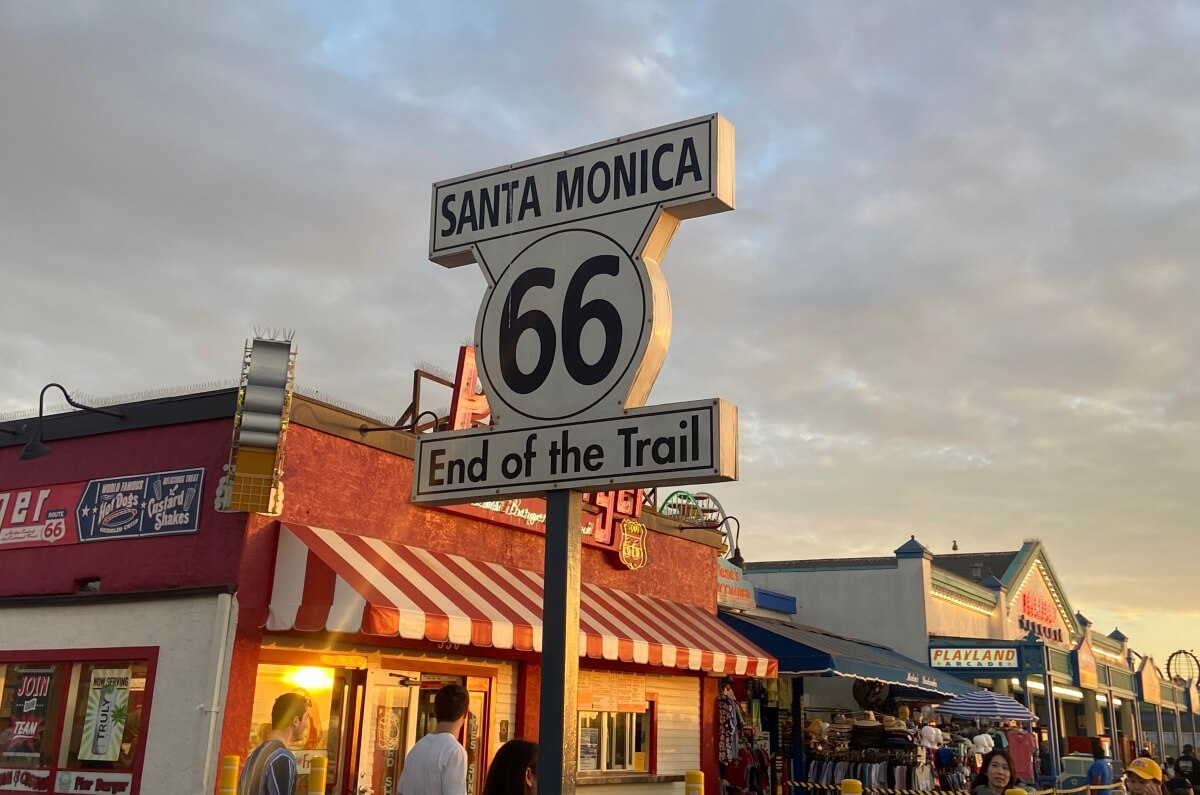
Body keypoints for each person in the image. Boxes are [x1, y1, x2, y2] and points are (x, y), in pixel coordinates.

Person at [397, 684, 470, 795]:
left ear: (435, 711)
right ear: (465, 715)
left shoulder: (417, 748)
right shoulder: (455, 751)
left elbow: (401, 791)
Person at [239, 692, 308, 795]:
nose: (307, 725)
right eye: (306, 718)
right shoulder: (283, 757)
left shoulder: (255, 754)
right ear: (295, 721)